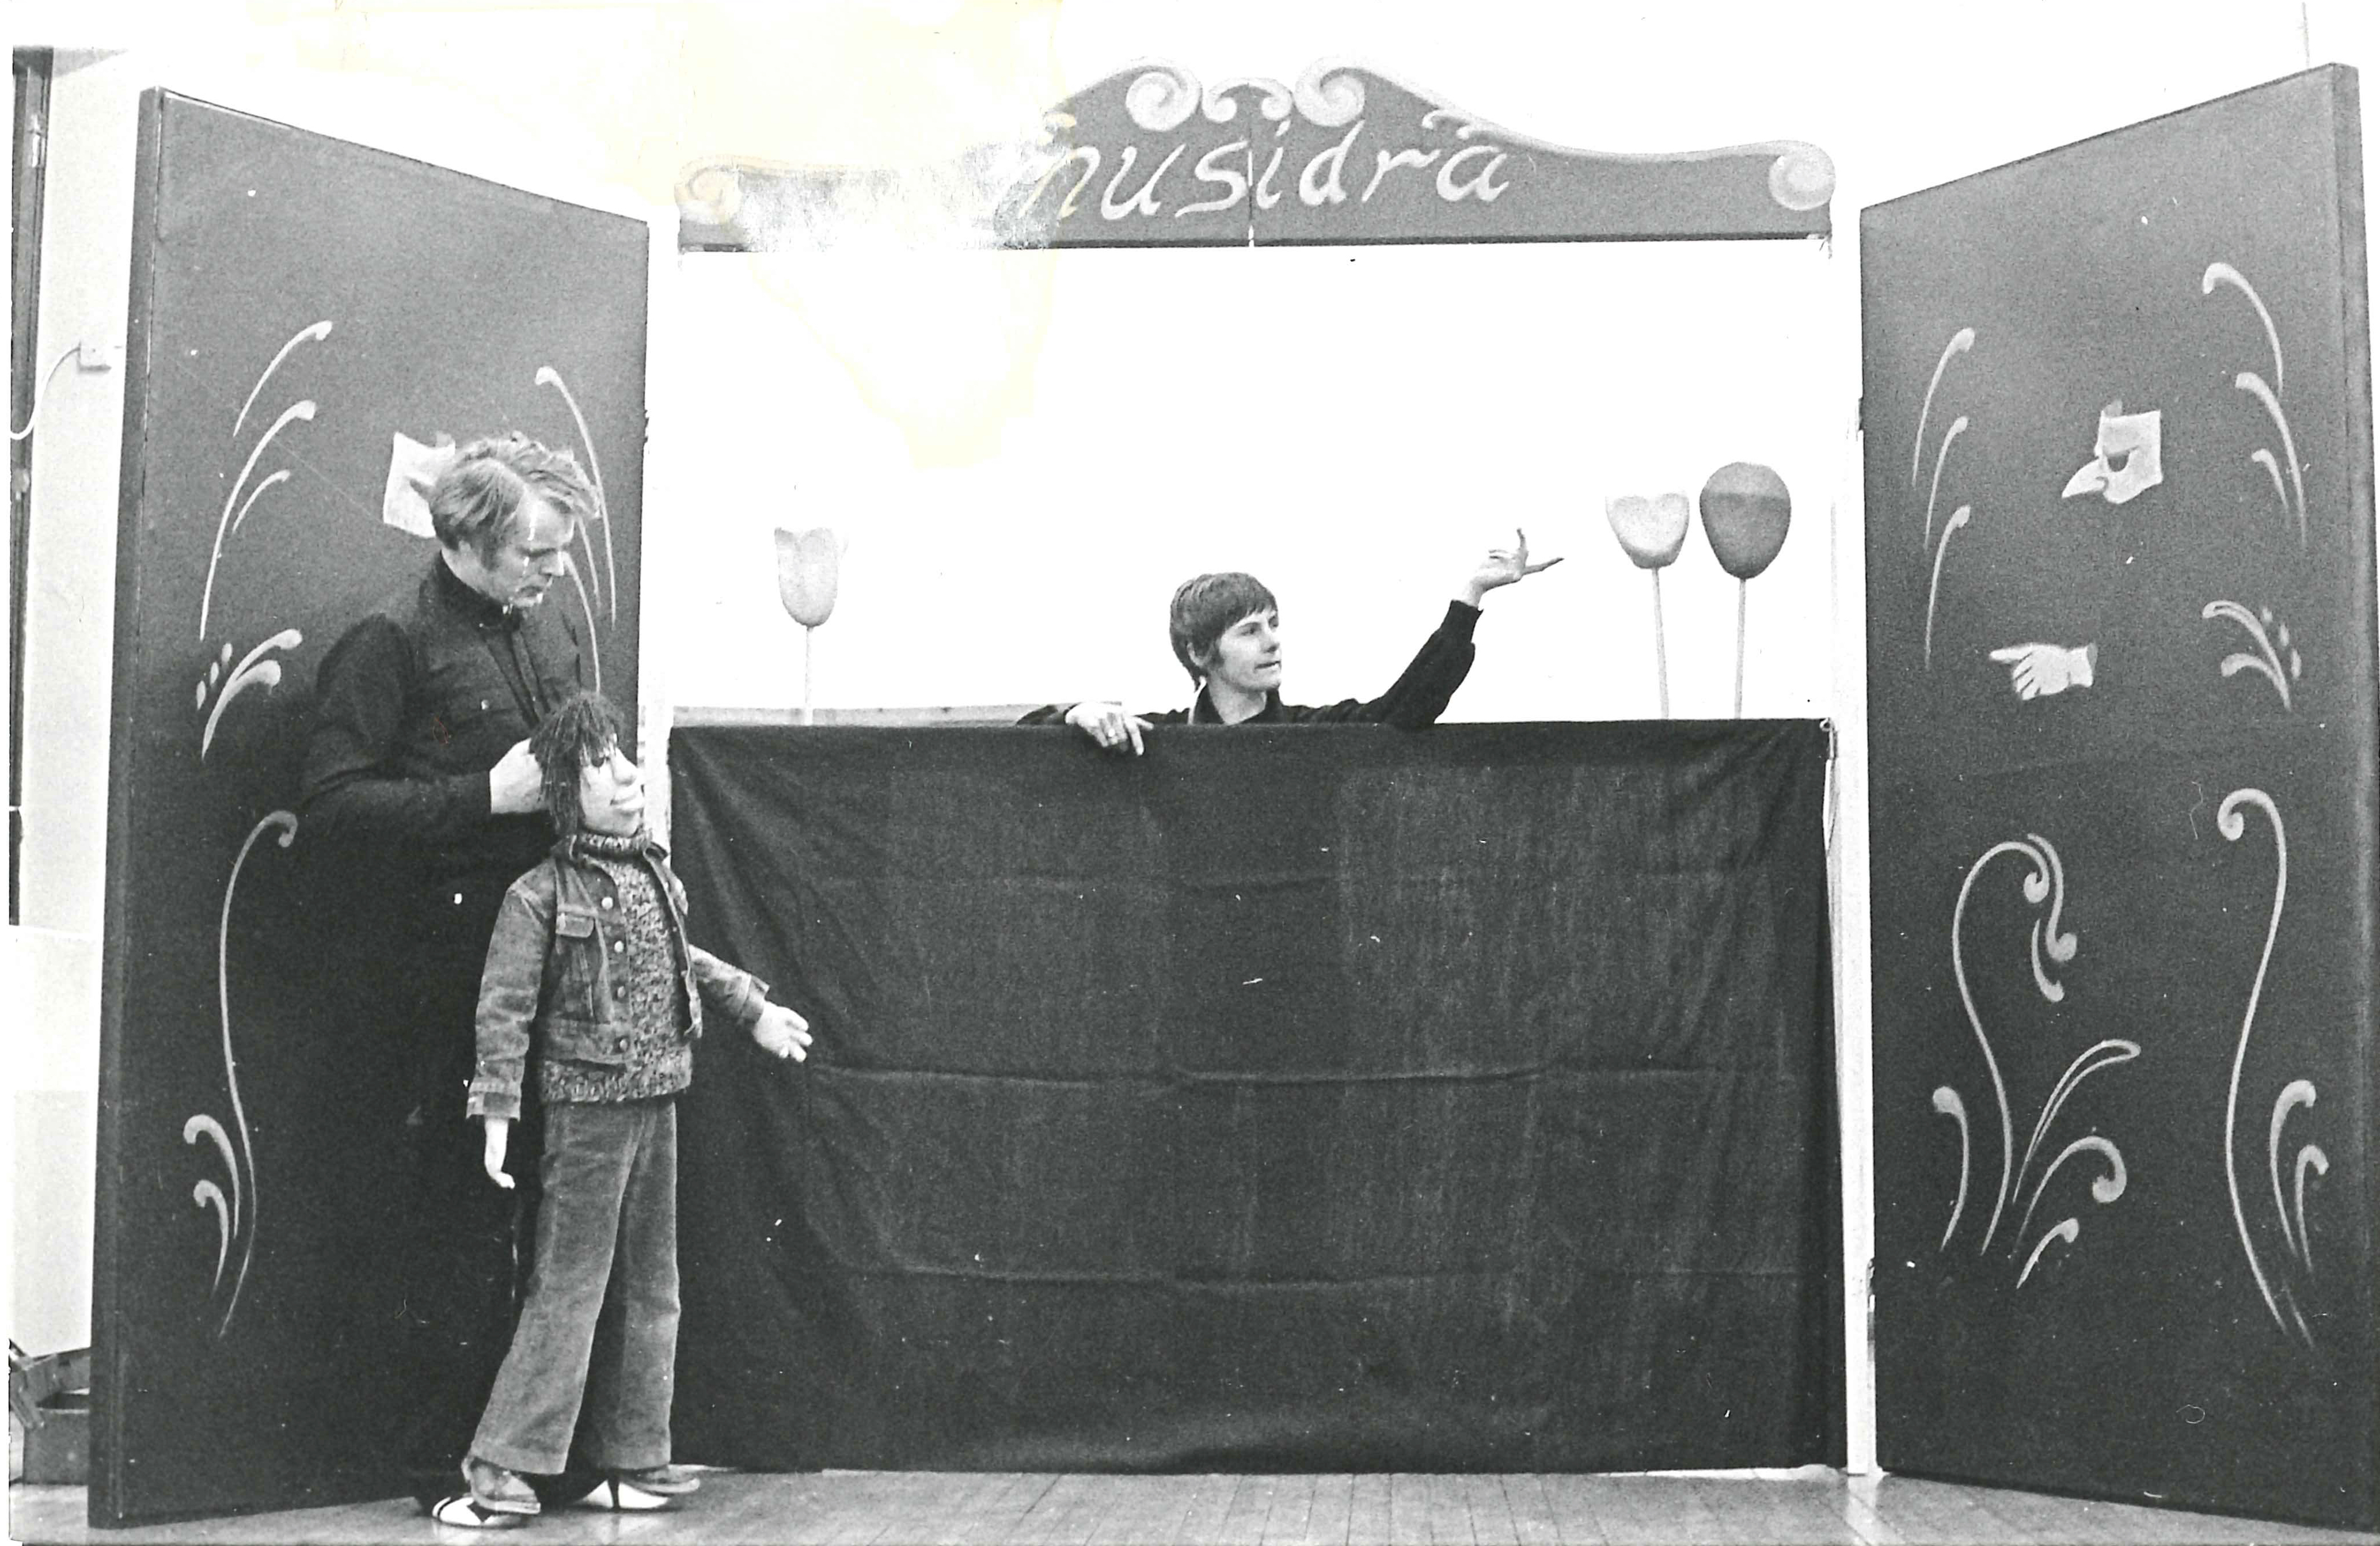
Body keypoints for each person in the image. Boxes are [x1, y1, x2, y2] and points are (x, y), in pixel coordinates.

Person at [297, 432, 595, 1524]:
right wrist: (482, 798)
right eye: (534, 553)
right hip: (439, 979)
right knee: (455, 1215)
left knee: (549, 1212)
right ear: (466, 540)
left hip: (550, 963)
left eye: (560, 551)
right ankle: (445, 1464)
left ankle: (533, 1453)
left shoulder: (550, 623)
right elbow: (330, 809)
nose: (554, 571)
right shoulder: (389, 642)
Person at [458, 690, 813, 1521]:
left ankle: (633, 1453)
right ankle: (502, 1463)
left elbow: (686, 959)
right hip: (586, 1114)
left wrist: (753, 1009)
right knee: (569, 1287)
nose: (625, 775)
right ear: (562, 793)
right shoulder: (537, 896)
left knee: (656, 1289)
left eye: (623, 755)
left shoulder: (656, 875)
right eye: (599, 765)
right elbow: (503, 1008)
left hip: (659, 1104)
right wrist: (496, 1108)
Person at [1022, 530, 1560, 752]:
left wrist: (1470, 595)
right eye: (1250, 631)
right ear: (1199, 653)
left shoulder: (1313, 732)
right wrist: (1078, 714)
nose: (1273, 643)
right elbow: (1019, 739)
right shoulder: (1157, 740)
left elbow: (1408, 707)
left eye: (1274, 625)